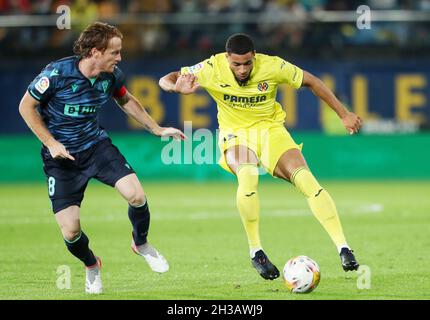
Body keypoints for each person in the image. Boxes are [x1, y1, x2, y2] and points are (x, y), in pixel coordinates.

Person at [159, 33, 362, 280]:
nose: (242, 69)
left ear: (254, 57)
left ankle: (343, 248)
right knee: (248, 175)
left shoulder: (272, 65)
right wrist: (175, 87)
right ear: (227, 59)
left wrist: (344, 114)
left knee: (307, 180)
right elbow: (165, 78)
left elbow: (313, 81)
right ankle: (257, 252)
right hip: (235, 134)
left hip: (271, 130)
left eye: (247, 63)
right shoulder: (211, 67)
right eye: (236, 64)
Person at [18, 22, 185, 294]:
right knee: (71, 232)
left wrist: (156, 128)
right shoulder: (57, 74)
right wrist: (51, 143)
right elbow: (26, 106)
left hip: (96, 147)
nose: (119, 58)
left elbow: (126, 99)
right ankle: (92, 264)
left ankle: (140, 243)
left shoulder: (112, 76)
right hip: (61, 159)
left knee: (136, 196)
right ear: (95, 52)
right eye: (114, 52)